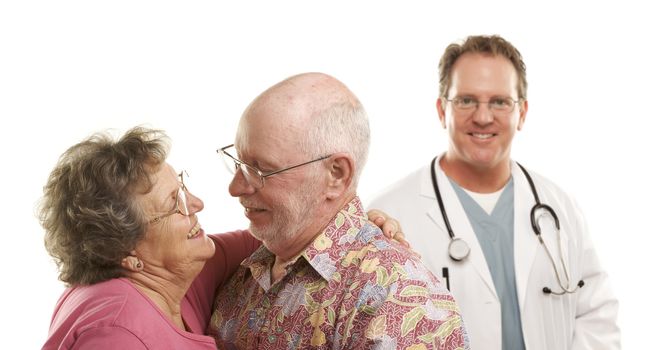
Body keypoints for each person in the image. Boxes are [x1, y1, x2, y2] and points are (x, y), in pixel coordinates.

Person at [40, 127, 401, 349]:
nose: (196, 203)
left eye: (182, 186)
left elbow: (283, 234)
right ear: (126, 250)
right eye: (174, 203)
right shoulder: (118, 334)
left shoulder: (182, 272)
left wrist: (359, 226)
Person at [368, 35, 620, 349]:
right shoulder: (390, 213)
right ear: (441, 110)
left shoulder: (559, 206)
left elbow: (596, 315)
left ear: (522, 113)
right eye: (466, 100)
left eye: (500, 101)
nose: (483, 117)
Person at [208, 72, 469, 349]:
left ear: (337, 174)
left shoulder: (399, 297)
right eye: (238, 162)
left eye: (260, 170)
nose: (235, 188)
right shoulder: (244, 274)